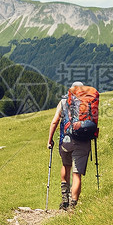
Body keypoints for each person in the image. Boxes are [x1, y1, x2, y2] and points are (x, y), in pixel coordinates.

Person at [47, 82, 92, 210]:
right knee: (76, 174)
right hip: (82, 141)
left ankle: (64, 199)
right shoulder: (88, 102)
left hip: (66, 140)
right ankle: (73, 204)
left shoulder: (63, 102)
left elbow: (55, 121)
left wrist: (50, 140)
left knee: (66, 167)